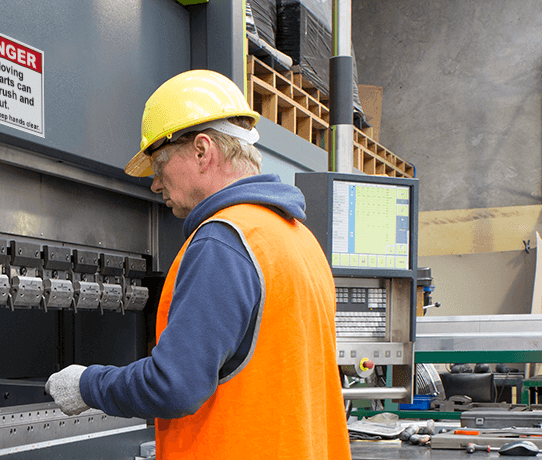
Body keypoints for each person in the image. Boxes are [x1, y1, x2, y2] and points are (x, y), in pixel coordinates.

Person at [45, 70, 350, 459]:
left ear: (203, 151)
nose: (155, 184)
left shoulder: (222, 240)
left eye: (159, 167)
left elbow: (174, 385)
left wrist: (87, 384)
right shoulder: (297, 239)